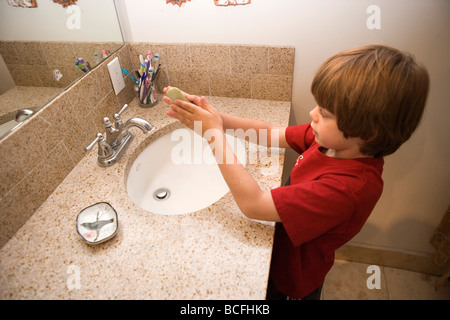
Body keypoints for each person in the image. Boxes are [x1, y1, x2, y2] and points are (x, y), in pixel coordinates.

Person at [162, 44, 429, 300]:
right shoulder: (331, 143)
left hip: (291, 279)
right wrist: (217, 118)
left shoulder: (348, 189)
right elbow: (271, 133)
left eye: (324, 113)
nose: (312, 113)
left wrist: (212, 134)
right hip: (282, 250)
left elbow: (253, 204)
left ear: (366, 132)